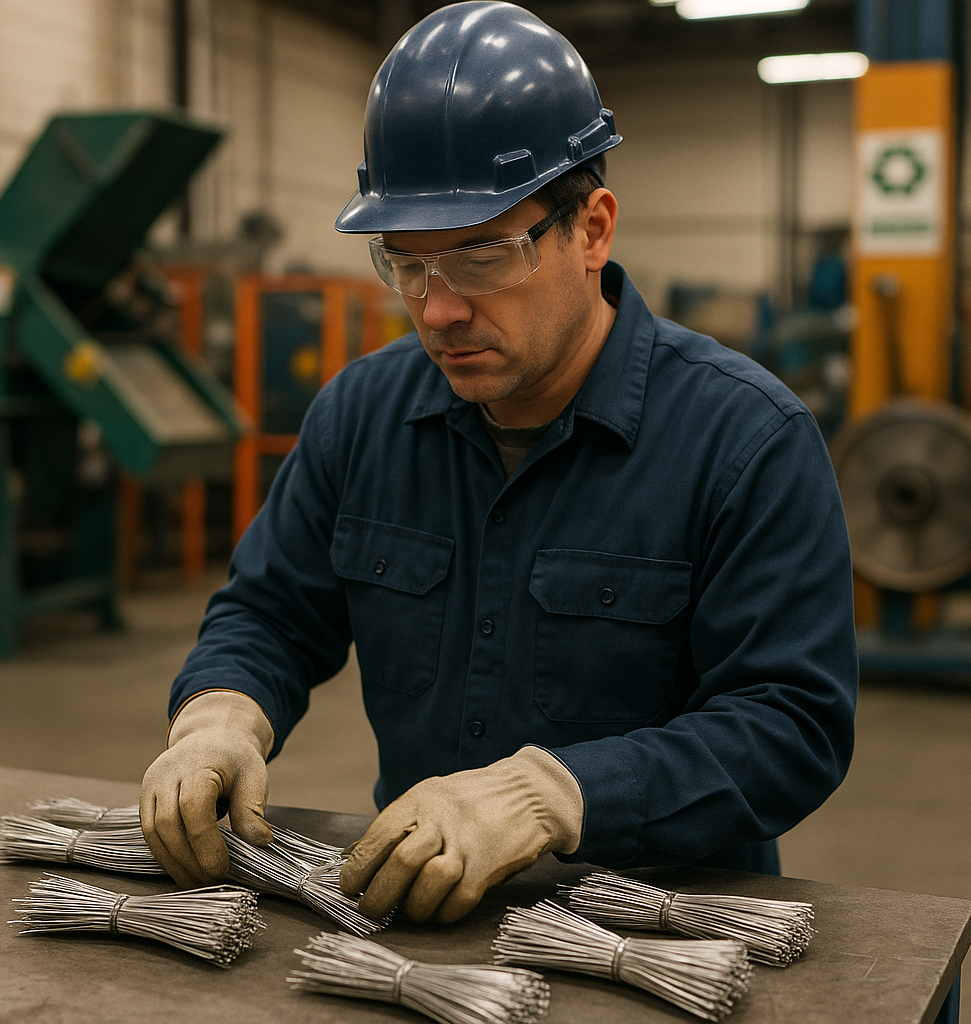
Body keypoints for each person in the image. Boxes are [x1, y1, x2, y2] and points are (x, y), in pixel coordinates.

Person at [140, 0, 858, 925]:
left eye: (481, 257)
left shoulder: (746, 441)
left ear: (591, 229)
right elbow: (273, 614)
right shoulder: (362, 415)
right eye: (406, 263)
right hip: (422, 926)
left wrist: (556, 795)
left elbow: (791, 725)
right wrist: (221, 714)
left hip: (661, 934)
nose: (438, 310)